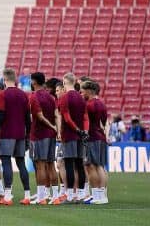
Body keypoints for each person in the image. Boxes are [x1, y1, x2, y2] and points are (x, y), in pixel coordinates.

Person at [0, 68, 31, 206]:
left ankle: (7, 196)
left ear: (4, 79)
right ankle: (27, 195)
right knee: (21, 163)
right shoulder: (24, 95)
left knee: (6, 162)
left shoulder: (3, 94)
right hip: (20, 133)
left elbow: (0, 114)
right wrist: (28, 134)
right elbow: (27, 117)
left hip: (7, 133)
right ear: (15, 78)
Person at [53, 73, 88, 205]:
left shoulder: (64, 97)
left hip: (69, 134)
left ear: (64, 82)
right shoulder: (80, 97)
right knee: (79, 164)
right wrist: (84, 131)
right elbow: (85, 117)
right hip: (80, 135)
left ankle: (70, 195)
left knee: (68, 164)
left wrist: (76, 130)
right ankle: (80, 194)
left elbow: (66, 117)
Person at [28, 72, 59, 205]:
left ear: (34, 82)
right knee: (51, 164)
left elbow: (39, 116)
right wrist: (56, 129)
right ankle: (55, 196)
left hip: (39, 134)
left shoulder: (34, 96)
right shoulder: (51, 97)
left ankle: (42, 197)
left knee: (40, 165)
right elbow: (57, 114)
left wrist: (52, 126)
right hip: (51, 135)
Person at [80, 79, 109, 205]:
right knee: (100, 166)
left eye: (82, 91)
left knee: (90, 166)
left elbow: (84, 121)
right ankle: (102, 195)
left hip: (91, 138)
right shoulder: (102, 104)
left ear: (88, 91)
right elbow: (104, 121)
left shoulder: (89, 105)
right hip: (100, 136)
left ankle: (97, 195)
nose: (81, 93)